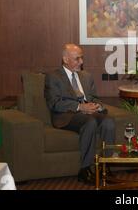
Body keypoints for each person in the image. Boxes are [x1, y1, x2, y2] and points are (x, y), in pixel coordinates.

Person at [44, 43, 115, 184]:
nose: (81, 62)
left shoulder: (86, 76)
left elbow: (94, 97)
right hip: (67, 116)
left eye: (82, 58)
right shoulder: (53, 77)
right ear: (65, 59)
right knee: (90, 122)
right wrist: (80, 107)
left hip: (89, 113)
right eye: (77, 59)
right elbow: (54, 103)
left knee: (109, 122)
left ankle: (105, 166)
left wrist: (98, 106)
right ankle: (85, 169)